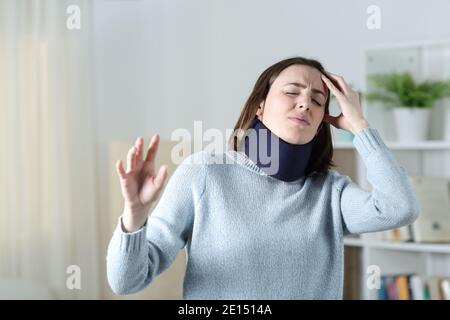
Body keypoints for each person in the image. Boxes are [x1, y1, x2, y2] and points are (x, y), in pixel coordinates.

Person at [106, 57, 420, 299]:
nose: (304, 103)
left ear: (322, 121)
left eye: (317, 101)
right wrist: (134, 215)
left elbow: (400, 208)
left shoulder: (331, 193)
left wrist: (360, 125)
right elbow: (126, 281)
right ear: (260, 106)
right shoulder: (203, 173)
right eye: (292, 92)